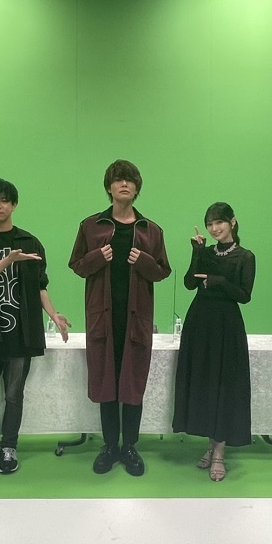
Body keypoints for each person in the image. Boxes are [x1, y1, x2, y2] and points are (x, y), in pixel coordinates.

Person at [0, 178, 70, 476]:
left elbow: (40, 286)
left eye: (5, 200)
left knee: (14, 396)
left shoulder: (30, 243)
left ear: (14, 205)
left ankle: (9, 447)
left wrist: (54, 314)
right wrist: (8, 260)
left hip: (20, 334)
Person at [69, 159, 171, 476]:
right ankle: (110, 446)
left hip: (136, 319)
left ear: (136, 188)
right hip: (103, 318)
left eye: (130, 180)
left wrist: (144, 261)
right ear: (109, 187)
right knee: (106, 384)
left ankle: (130, 447)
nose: (124, 184)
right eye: (118, 179)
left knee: (132, 384)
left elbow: (162, 271)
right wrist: (97, 256)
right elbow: (77, 265)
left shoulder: (151, 230)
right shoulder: (91, 226)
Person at [172, 202, 255, 482]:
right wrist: (197, 253)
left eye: (219, 222)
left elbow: (244, 295)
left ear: (233, 222)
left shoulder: (245, 256)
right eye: (209, 224)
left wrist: (219, 281)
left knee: (223, 385)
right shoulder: (206, 252)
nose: (214, 228)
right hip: (200, 322)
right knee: (205, 383)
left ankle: (219, 452)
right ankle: (211, 444)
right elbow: (189, 283)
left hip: (226, 325)